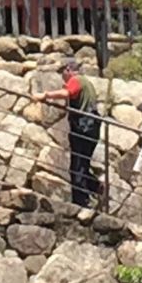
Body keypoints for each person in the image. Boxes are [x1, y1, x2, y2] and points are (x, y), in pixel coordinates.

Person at [42, 60, 103, 210]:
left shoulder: (76, 80)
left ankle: (82, 202)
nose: (62, 76)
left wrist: (46, 95)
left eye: (62, 72)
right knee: (83, 163)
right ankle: (95, 187)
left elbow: (66, 93)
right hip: (92, 126)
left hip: (82, 128)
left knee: (77, 166)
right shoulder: (87, 83)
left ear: (68, 70)